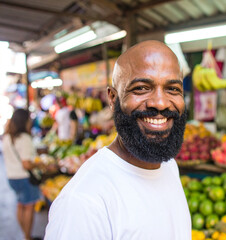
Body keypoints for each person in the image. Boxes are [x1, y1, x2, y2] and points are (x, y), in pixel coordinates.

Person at [44, 40, 191, 239]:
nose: (160, 103)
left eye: (173, 89)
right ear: (113, 99)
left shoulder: (168, 166)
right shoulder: (83, 202)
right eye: (141, 88)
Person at [2, 109, 43, 240]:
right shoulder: (24, 138)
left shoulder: (7, 137)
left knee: (20, 204)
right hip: (25, 178)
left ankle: (25, 235)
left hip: (12, 178)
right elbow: (26, 164)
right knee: (29, 206)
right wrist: (40, 164)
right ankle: (27, 236)